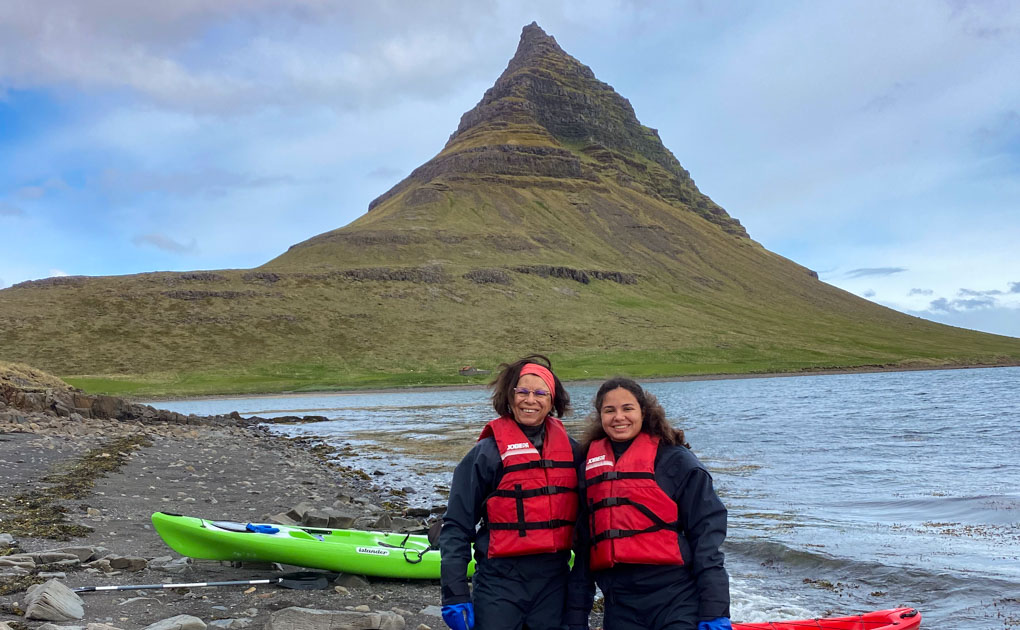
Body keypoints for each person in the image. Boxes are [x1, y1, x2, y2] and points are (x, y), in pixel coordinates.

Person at [566, 377, 731, 630]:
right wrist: (576, 618)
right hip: (620, 606)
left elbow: (707, 539)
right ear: (600, 417)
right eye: (609, 410)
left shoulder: (677, 461)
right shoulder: (589, 467)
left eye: (627, 408)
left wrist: (715, 611)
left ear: (643, 411)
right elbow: (585, 548)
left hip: (676, 601)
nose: (619, 417)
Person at [440, 354, 583, 630]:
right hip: (499, 585)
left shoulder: (574, 452)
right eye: (523, 391)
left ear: (552, 401)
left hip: (555, 585)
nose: (531, 400)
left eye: (540, 393)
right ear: (510, 396)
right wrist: (455, 593)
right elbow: (456, 526)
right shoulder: (485, 455)